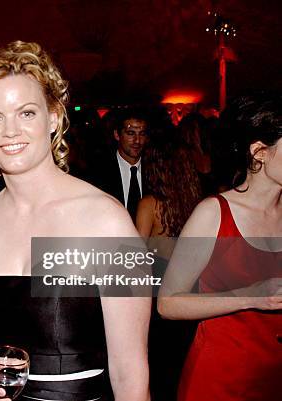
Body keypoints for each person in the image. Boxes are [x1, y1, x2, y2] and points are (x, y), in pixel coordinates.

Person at [0, 41, 150, 401]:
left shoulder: (106, 221)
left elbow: (130, 373)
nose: (10, 131)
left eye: (27, 113)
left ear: (53, 117)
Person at [158, 93, 282, 401]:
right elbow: (168, 304)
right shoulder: (214, 213)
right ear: (260, 153)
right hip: (220, 380)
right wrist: (251, 296)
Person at [135, 140, 202, 401]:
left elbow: (136, 260)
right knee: (182, 370)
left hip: (158, 297)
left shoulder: (150, 204)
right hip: (190, 294)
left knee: (159, 373)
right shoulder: (197, 202)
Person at [86, 109, 149, 221]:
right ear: (117, 135)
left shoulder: (155, 170)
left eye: (142, 134)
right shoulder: (98, 172)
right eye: (130, 133)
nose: (137, 140)